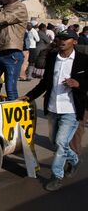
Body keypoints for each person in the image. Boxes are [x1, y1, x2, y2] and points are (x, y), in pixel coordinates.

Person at [19, 30, 87, 191]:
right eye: (60, 38)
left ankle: (56, 176)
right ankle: (75, 160)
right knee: (55, 142)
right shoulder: (52, 58)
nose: (62, 41)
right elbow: (44, 83)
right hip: (52, 108)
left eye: (66, 38)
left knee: (61, 143)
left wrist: (78, 84)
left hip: (71, 109)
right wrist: (29, 96)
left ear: (74, 42)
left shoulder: (83, 60)